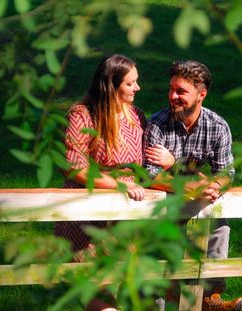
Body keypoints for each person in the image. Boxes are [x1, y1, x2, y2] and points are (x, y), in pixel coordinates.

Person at [143, 60, 242, 311]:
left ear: (202, 95)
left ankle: (212, 297)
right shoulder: (157, 124)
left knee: (219, 223)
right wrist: (194, 186)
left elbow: (226, 171)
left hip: (195, 205)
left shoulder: (217, 126)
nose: (173, 96)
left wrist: (215, 185)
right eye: (171, 89)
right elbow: (150, 176)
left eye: (181, 91)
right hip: (162, 206)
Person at [55, 54, 146, 311]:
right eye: (130, 83)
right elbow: (75, 168)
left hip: (124, 217)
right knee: (97, 286)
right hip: (88, 215)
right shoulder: (82, 115)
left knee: (110, 286)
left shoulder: (136, 115)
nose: (137, 88)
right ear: (110, 85)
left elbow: (148, 161)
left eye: (136, 81)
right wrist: (119, 185)